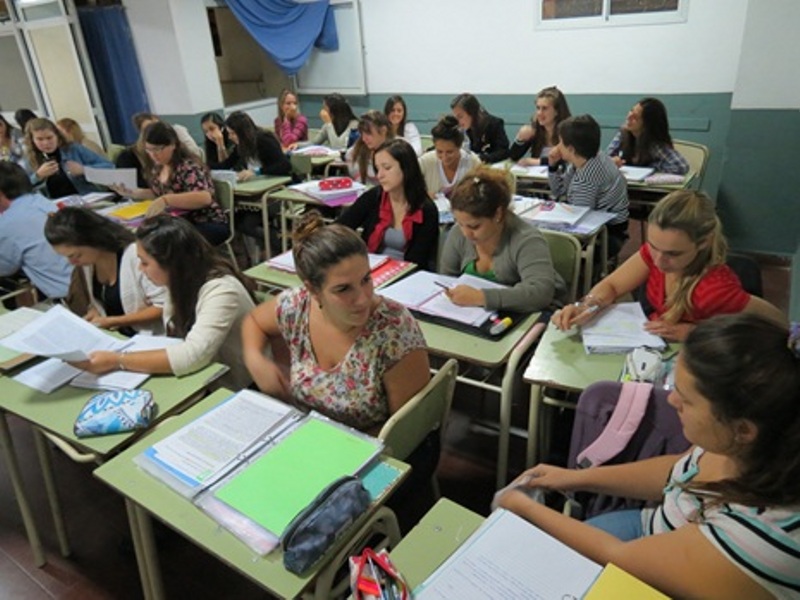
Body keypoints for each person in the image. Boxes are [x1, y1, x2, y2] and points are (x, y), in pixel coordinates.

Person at [496, 313, 800, 599]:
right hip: (655, 529)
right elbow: (679, 473)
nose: (671, 399)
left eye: (687, 399)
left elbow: (622, 558)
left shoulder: (765, 537)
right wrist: (576, 478)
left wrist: (523, 507)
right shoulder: (744, 441)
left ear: (743, 429)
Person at [241, 211, 430, 433]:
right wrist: (254, 358)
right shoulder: (297, 306)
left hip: (366, 448)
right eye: (343, 289)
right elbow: (254, 321)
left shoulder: (394, 331)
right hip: (306, 433)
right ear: (313, 290)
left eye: (366, 280)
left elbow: (405, 430)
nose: (362, 299)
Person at [553, 190, 787, 341]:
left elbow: (778, 324)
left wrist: (697, 333)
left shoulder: (713, 289)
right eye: (653, 246)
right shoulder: (657, 254)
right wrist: (587, 305)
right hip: (654, 343)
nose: (657, 260)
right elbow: (613, 285)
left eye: (673, 253)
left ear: (702, 243)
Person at [73, 215, 256, 389]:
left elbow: (193, 355)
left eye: (145, 263)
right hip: (205, 377)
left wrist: (118, 360)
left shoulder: (221, 290)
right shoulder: (179, 281)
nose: (140, 269)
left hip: (240, 384)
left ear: (171, 263)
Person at [439, 165, 565, 313]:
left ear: (498, 214)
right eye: (460, 224)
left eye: (474, 226)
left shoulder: (527, 239)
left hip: (523, 316)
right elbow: (446, 279)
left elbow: (540, 293)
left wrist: (481, 297)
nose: (466, 233)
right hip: (473, 316)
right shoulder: (457, 233)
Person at [44, 207, 166, 335]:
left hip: (149, 338)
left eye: (76, 255)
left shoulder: (135, 256)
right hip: (116, 336)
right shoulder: (88, 265)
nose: (72, 262)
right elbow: (102, 304)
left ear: (92, 240)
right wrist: (96, 313)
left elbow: (163, 306)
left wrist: (115, 321)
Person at [112, 121, 228, 246]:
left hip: (205, 222)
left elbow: (204, 198)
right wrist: (132, 192)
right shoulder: (158, 168)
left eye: (158, 149)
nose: (153, 155)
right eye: (149, 150)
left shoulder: (188, 167)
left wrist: (166, 200)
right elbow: (159, 193)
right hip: (179, 223)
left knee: (163, 244)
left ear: (173, 145)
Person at [338, 139, 439, 269]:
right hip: (370, 269)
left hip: (405, 274)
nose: (380, 175)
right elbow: (340, 228)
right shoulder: (373, 197)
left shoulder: (426, 210)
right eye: (377, 169)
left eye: (387, 168)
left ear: (406, 167)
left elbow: (417, 262)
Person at [548, 114, 629, 257]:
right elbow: (559, 190)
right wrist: (553, 166)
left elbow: (578, 220)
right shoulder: (591, 157)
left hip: (607, 233)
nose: (557, 146)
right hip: (608, 223)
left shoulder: (587, 178)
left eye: (560, 142)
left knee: (547, 243)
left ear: (571, 149)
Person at [0, 162, 71, 300]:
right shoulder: (41, 201)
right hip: (82, 281)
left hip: (67, 295)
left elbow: (5, 268)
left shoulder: (7, 224)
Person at [24, 117, 113, 198]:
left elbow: (110, 167)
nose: (46, 143)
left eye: (49, 138)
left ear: (57, 136)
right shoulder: (30, 159)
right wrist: (38, 176)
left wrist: (83, 170)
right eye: (40, 139)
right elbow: (21, 189)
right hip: (53, 206)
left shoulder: (74, 149)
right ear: (32, 141)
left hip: (85, 198)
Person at [607, 97, 689, 175]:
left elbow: (681, 166)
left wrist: (652, 167)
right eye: (631, 111)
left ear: (647, 125)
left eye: (635, 117)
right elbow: (605, 160)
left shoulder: (654, 143)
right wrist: (612, 161)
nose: (629, 117)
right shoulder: (622, 133)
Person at [418, 115, 481, 198]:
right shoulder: (424, 162)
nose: (444, 157)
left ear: (459, 147)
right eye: (439, 152)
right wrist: (423, 195)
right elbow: (408, 188)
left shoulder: (473, 162)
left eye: (450, 152)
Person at [509, 86, 571, 166]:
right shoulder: (535, 130)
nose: (539, 113)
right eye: (538, 108)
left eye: (544, 108)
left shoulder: (569, 131)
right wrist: (520, 140)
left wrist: (533, 161)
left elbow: (564, 160)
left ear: (557, 111)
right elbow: (512, 157)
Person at [220, 111, 291, 180]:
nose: (230, 137)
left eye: (233, 133)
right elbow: (227, 164)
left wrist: (256, 172)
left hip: (278, 182)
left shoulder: (264, 140)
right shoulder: (242, 144)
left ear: (243, 132)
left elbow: (284, 165)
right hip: (261, 183)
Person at [450, 93, 509, 164]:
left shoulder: (494, 124)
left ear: (472, 113)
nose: (457, 121)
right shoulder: (457, 127)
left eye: (460, 116)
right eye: (455, 117)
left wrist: (480, 158)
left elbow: (503, 152)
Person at [294, 93, 359, 151]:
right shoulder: (327, 126)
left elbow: (339, 148)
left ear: (334, 110)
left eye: (325, 108)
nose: (323, 111)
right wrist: (297, 145)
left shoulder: (354, 125)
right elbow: (314, 143)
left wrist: (329, 123)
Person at [345, 110, 394, 185]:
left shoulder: (396, 149)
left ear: (383, 130)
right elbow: (348, 156)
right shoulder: (360, 147)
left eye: (368, 133)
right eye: (362, 133)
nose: (364, 138)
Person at [131, 112, 202, 159]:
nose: (153, 130)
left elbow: (195, 152)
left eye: (151, 125)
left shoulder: (177, 130)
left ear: (155, 119)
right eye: (147, 130)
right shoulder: (148, 144)